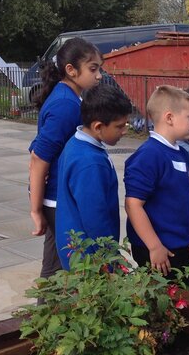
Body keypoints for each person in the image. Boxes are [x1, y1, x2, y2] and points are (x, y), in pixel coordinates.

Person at [28, 37, 103, 280]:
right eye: (93, 69)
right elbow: (39, 158)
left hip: (61, 198)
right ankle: (44, 316)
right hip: (57, 202)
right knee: (57, 273)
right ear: (71, 70)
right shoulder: (65, 104)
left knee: (60, 269)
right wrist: (36, 210)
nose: (99, 75)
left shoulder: (71, 97)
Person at [124, 85, 189, 291]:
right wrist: (154, 246)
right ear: (169, 118)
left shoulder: (180, 153)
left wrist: (187, 240)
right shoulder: (149, 155)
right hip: (158, 251)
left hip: (176, 246)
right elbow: (133, 206)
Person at [54, 83, 134, 270]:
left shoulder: (77, 144)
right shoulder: (89, 162)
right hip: (90, 259)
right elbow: (95, 219)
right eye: (119, 126)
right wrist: (110, 259)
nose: (125, 131)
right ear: (98, 126)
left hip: (81, 251)